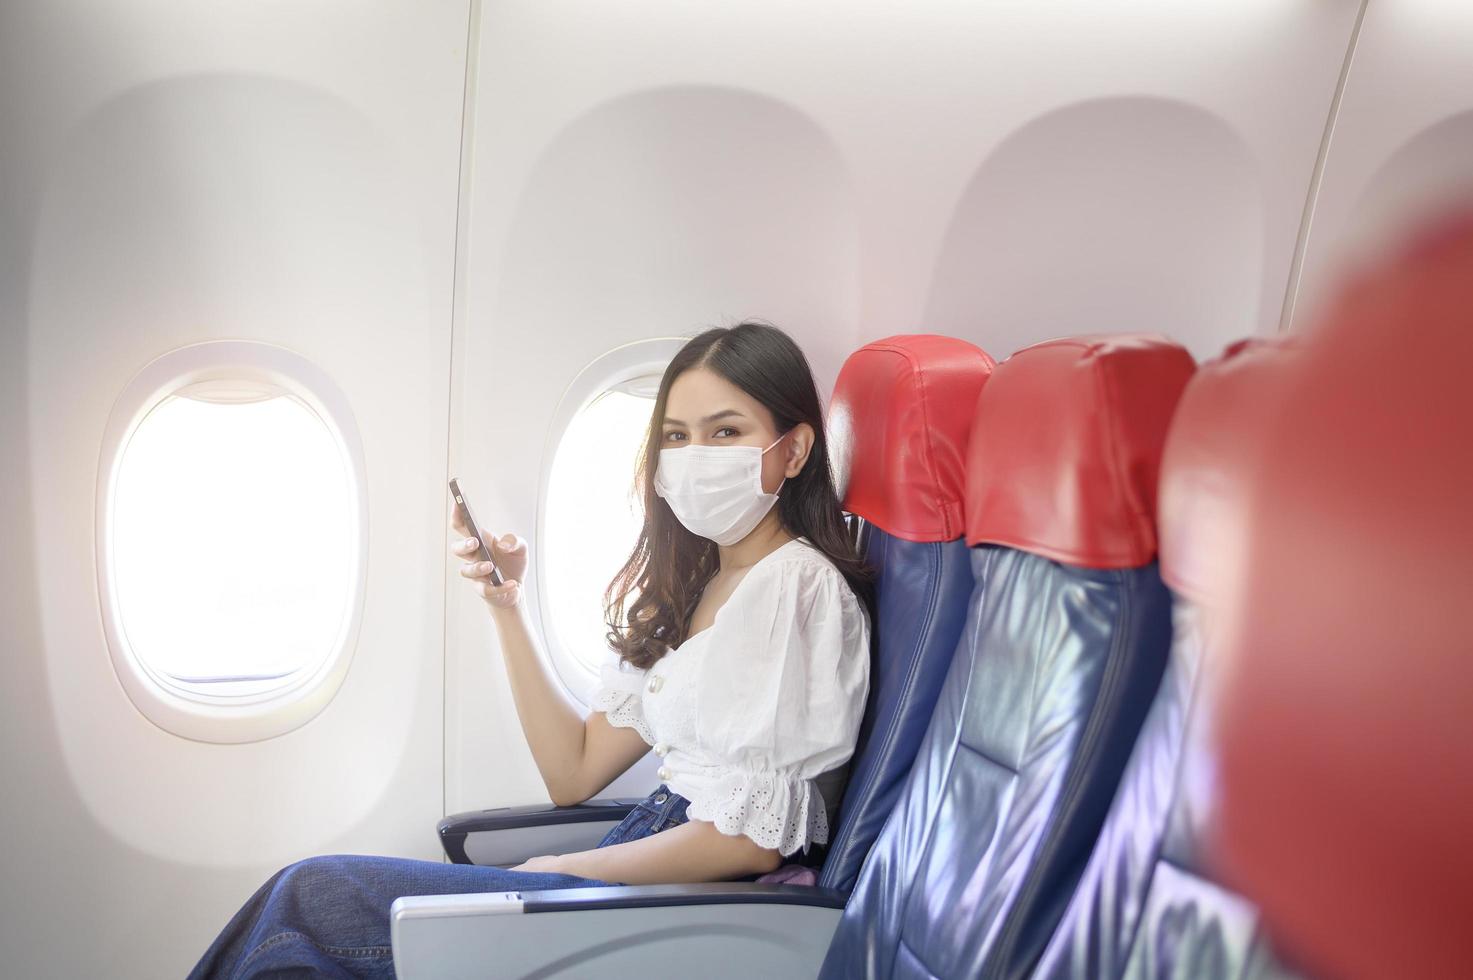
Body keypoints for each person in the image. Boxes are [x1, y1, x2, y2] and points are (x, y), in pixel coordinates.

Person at [187, 322, 873, 978]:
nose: (694, 456)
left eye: (725, 431)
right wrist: (506, 607)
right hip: (645, 866)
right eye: (675, 435)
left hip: (689, 904)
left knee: (312, 899)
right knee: (297, 916)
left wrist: (567, 870)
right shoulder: (696, 582)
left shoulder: (796, 588)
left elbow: (749, 839)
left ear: (793, 449)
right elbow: (571, 773)